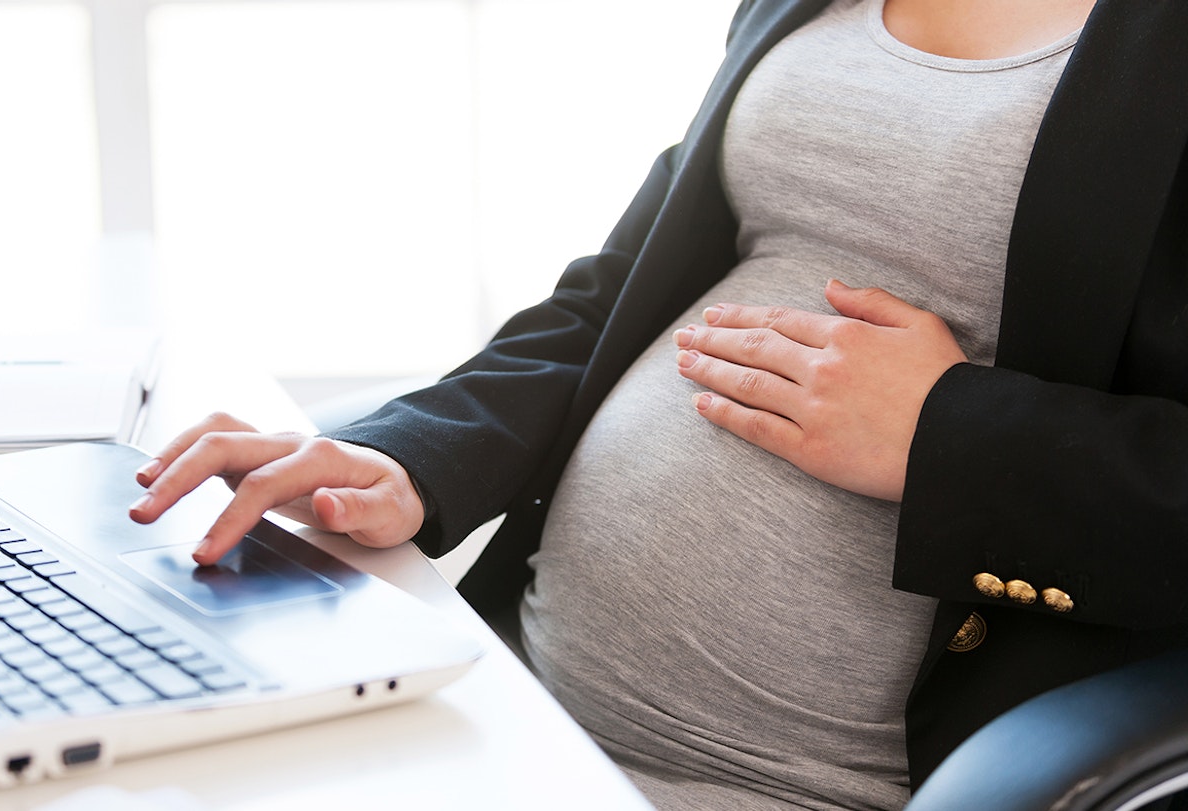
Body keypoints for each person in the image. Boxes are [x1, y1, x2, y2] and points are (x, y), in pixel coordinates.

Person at [128, 0, 1188, 807]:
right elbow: (625, 293)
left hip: (790, 782)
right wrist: (409, 455)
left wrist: (947, 439)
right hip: (515, 710)